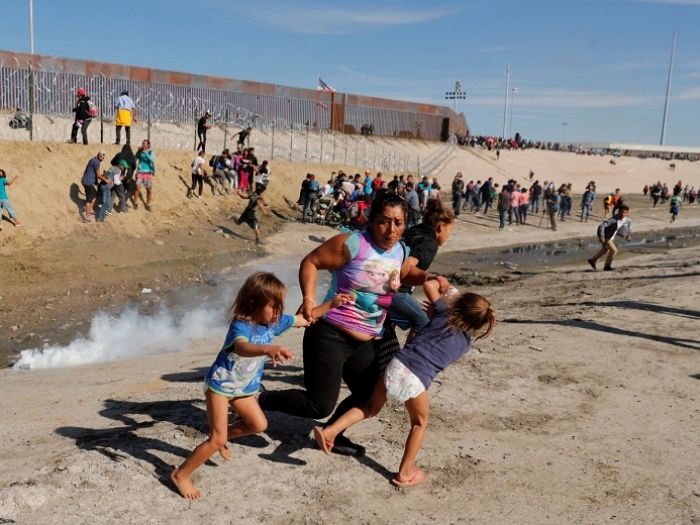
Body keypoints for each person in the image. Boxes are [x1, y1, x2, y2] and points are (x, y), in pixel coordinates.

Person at [258, 193, 440, 454]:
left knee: (370, 396)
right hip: (330, 333)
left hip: (366, 339)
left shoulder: (400, 250)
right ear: (372, 220)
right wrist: (309, 299)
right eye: (384, 222)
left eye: (398, 223)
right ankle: (260, 398)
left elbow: (404, 274)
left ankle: (332, 433)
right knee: (318, 405)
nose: (391, 230)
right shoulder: (353, 244)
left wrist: (429, 277)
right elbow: (311, 262)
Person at [171, 271, 350, 499]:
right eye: (273, 306)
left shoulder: (273, 323)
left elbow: (305, 319)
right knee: (215, 439)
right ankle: (181, 474)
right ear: (253, 304)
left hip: (243, 389)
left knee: (258, 424)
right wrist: (268, 349)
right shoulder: (241, 326)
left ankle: (223, 437)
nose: (278, 312)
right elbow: (241, 347)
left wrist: (331, 304)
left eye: (280, 306)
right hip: (221, 386)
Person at [313, 280, 495, 488]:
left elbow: (429, 285)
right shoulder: (464, 344)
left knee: (371, 407)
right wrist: (442, 310)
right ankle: (405, 472)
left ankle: (330, 431)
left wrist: (445, 286)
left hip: (396, 364)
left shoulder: (443, 312)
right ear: (479, 325)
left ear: (458, 303)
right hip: (416, 379)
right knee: (419, 423)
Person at [389, 199, 455, 332]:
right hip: (395, 292)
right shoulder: (429, 243)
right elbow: (405, 268)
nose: (449, 235)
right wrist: (432, 277)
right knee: (424, 323)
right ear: (441, 226)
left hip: (379, 285)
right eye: (449, 230)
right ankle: (411, 353)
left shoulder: (413, 230)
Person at [587, 204, 632, 271]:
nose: (622, 213)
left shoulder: (626, 220)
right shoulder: (613, 219)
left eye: (624, 212)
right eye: (621, 212)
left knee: (605, 250)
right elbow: (601, 226)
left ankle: (593, 260)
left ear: (627, 213)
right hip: (605, 236)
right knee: (614, 250)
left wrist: (627, 235)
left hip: (610, 236)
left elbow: (622, 229)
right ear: (618, 212)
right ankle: (607, 266)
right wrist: (601, 237)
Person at [81, 150, 106, 223]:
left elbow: (93, 172)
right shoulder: (97, 162)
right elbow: (98, 175)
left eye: (103, 156)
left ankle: (90, 210)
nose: (102, 157)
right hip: (88, 182)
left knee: (94, 195)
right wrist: (106, 180)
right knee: (89, 199)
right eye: (101, 155)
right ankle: (86, 217)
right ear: (98, 155)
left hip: (86, 180)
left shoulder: (93, 160)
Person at [132, 139, 155, 211]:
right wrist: (138, 151)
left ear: (148, 145)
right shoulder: (141, 151)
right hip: (140, 172)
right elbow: (135, 158)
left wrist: (145, 152)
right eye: (143, 143)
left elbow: (151, 160)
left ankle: (148, 204)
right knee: (137, 188)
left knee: (149, 189)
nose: (143, 145)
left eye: (145, 144)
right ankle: (135, 202)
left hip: (148, 173)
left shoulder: (151, 152)